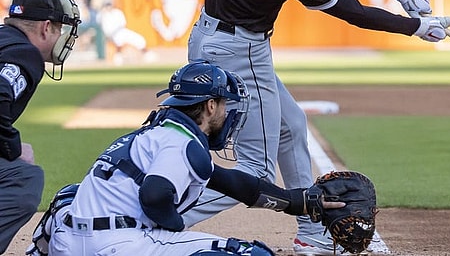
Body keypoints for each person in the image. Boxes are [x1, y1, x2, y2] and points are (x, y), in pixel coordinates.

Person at [185, 0, 450, 255]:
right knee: (255, 171)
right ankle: (158, 215)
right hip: (236, 50)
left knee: (292, 126)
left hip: (222, 39)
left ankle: (312, 234)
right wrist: (414, 28)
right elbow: (354, 13)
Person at [36, 61, 344, 256]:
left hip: (70, 241)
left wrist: (298, 202)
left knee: (72, 194)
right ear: (210, 105)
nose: (228, 112)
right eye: (225, 104)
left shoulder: (156, 134)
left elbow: (234, 183)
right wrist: (173, 225)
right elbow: (155, 194)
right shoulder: (183, 144)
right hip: (119, 245)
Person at [0, 0, 81, 253]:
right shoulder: (24, 54)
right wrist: (12, 146)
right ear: (47, 27)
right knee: (24, 177)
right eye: (61, 29)